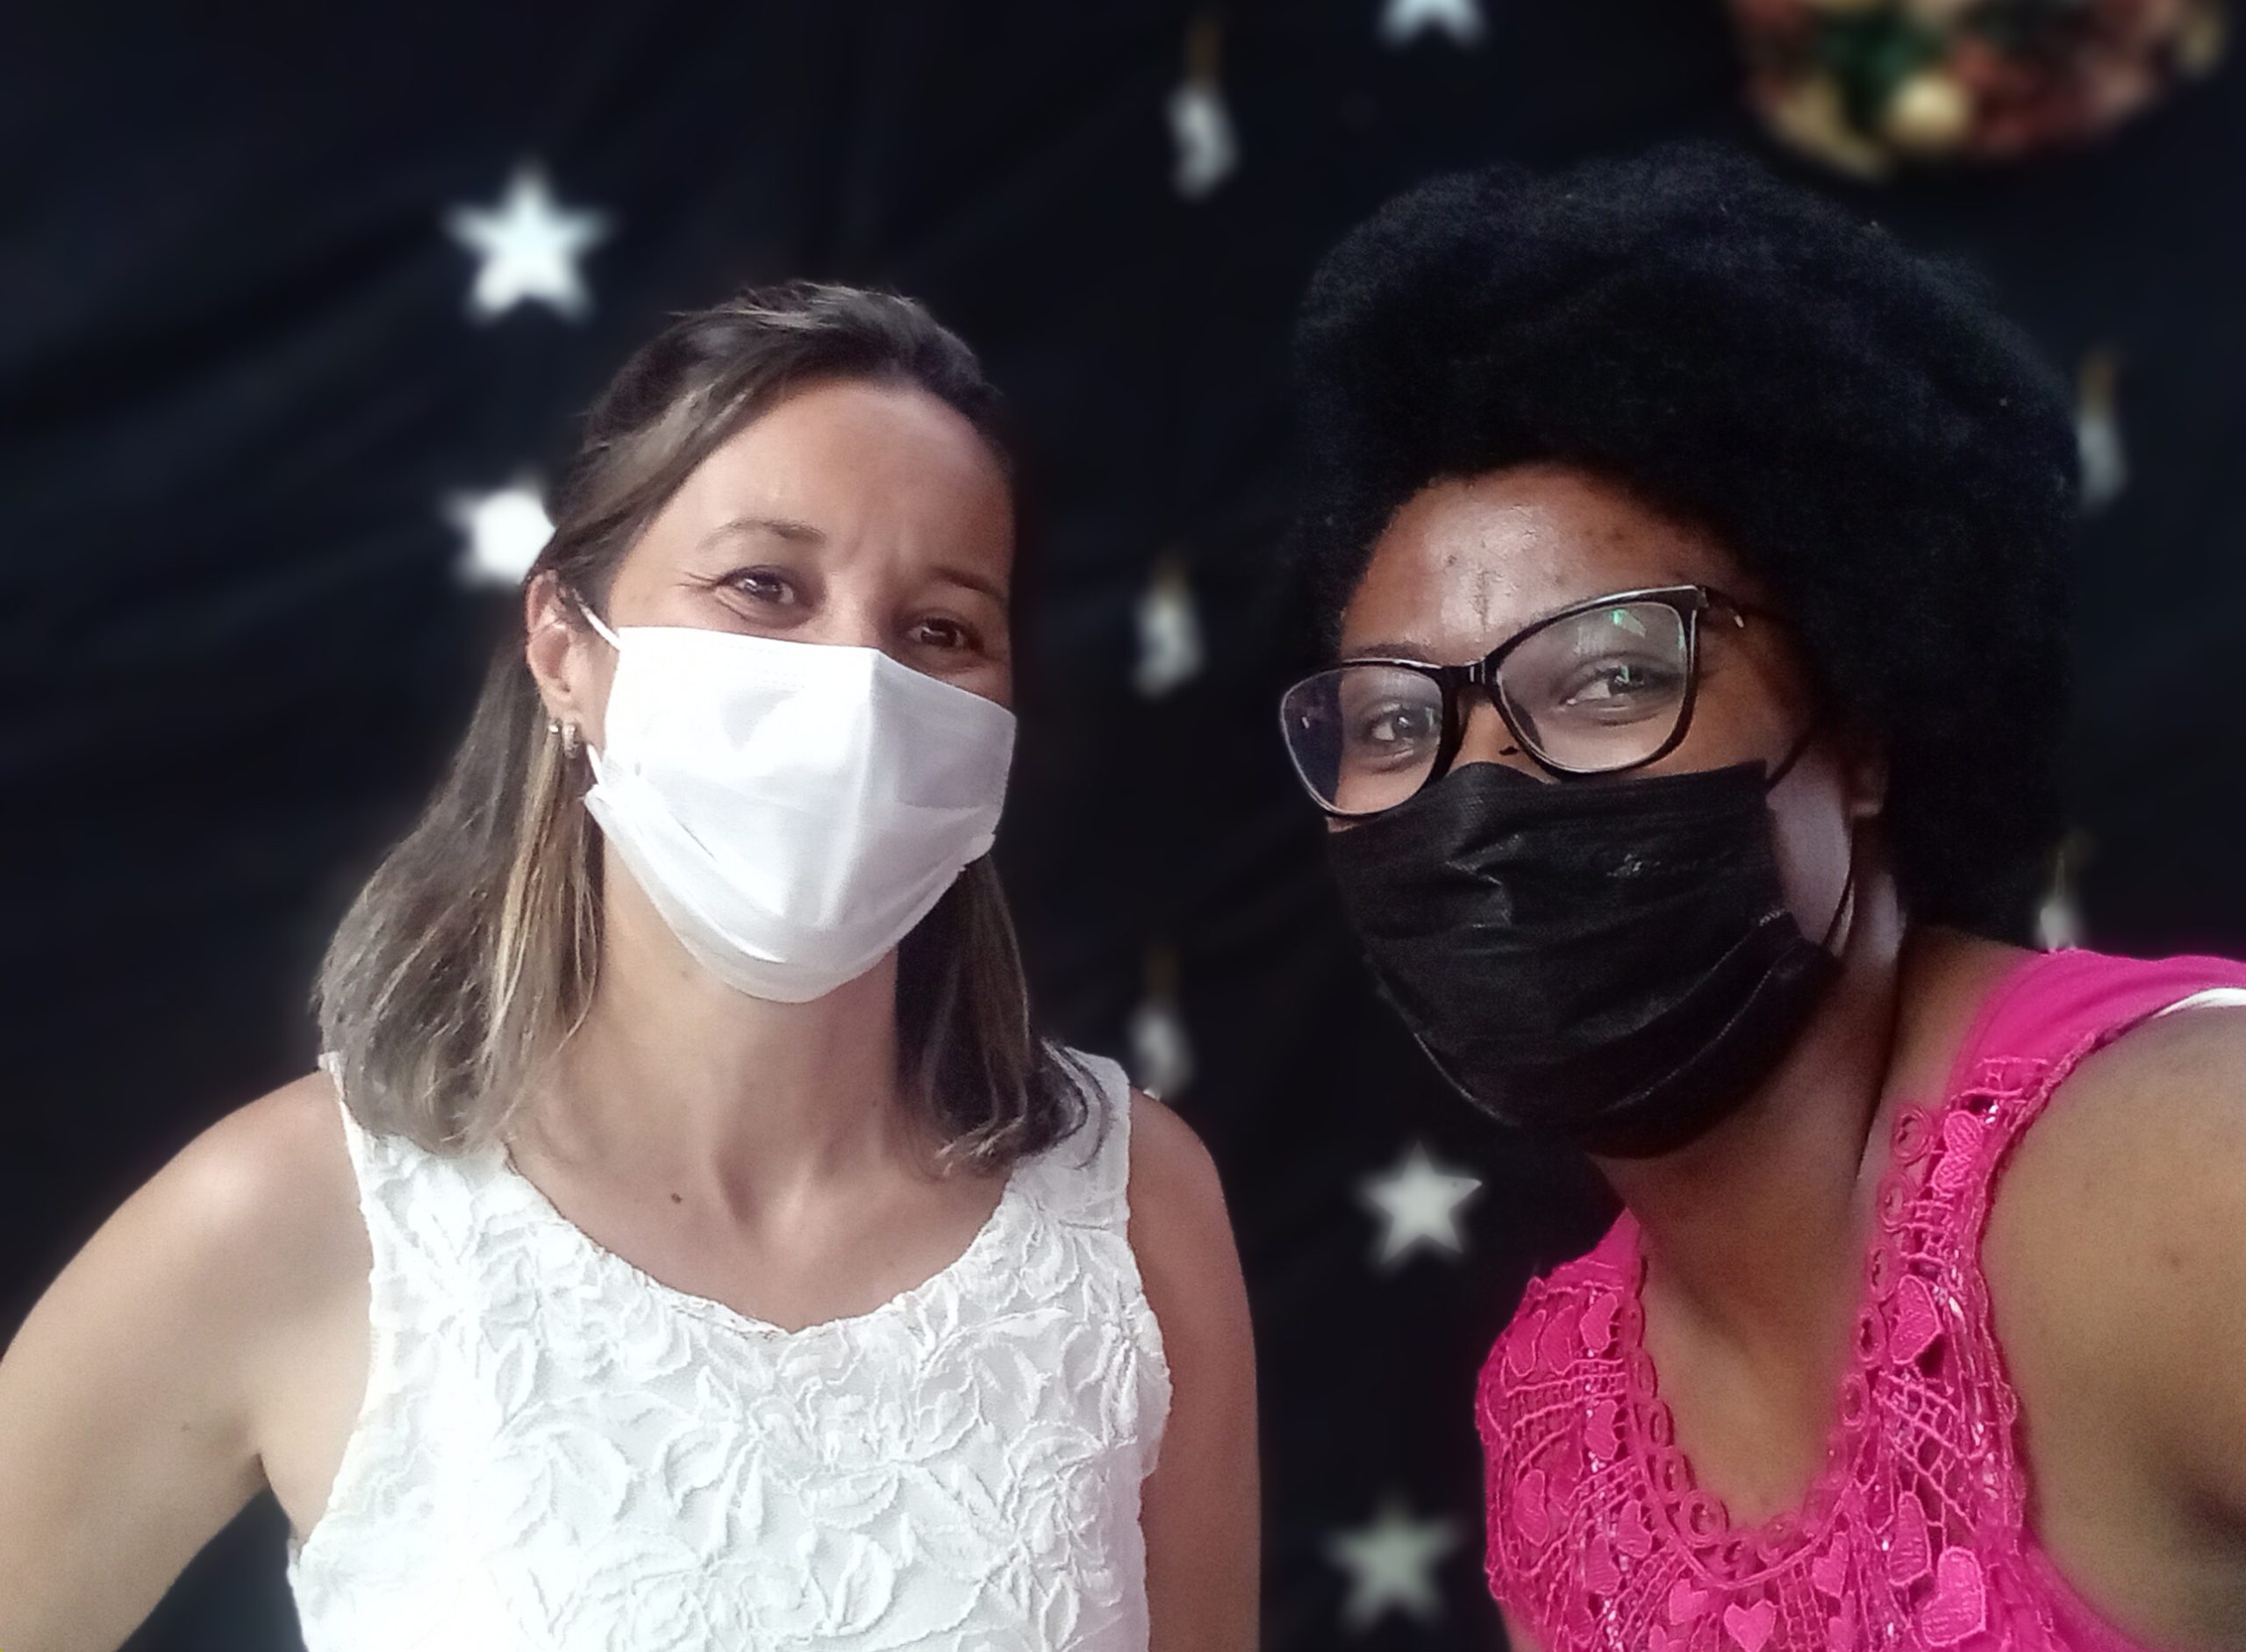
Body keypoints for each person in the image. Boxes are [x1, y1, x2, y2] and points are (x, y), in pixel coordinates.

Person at [0, 282, 1258, 1652]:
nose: (857, 685)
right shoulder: (292, 1217)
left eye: (941, 629)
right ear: (564, 651)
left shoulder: (1136, 1209)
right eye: (764, 588)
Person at [1278, 147, 2246, 1651]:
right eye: (1398, 722)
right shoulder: (1558, 1425)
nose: (1480, 786)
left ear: (1856, 730)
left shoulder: (2189, 1174)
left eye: (1610, 677)